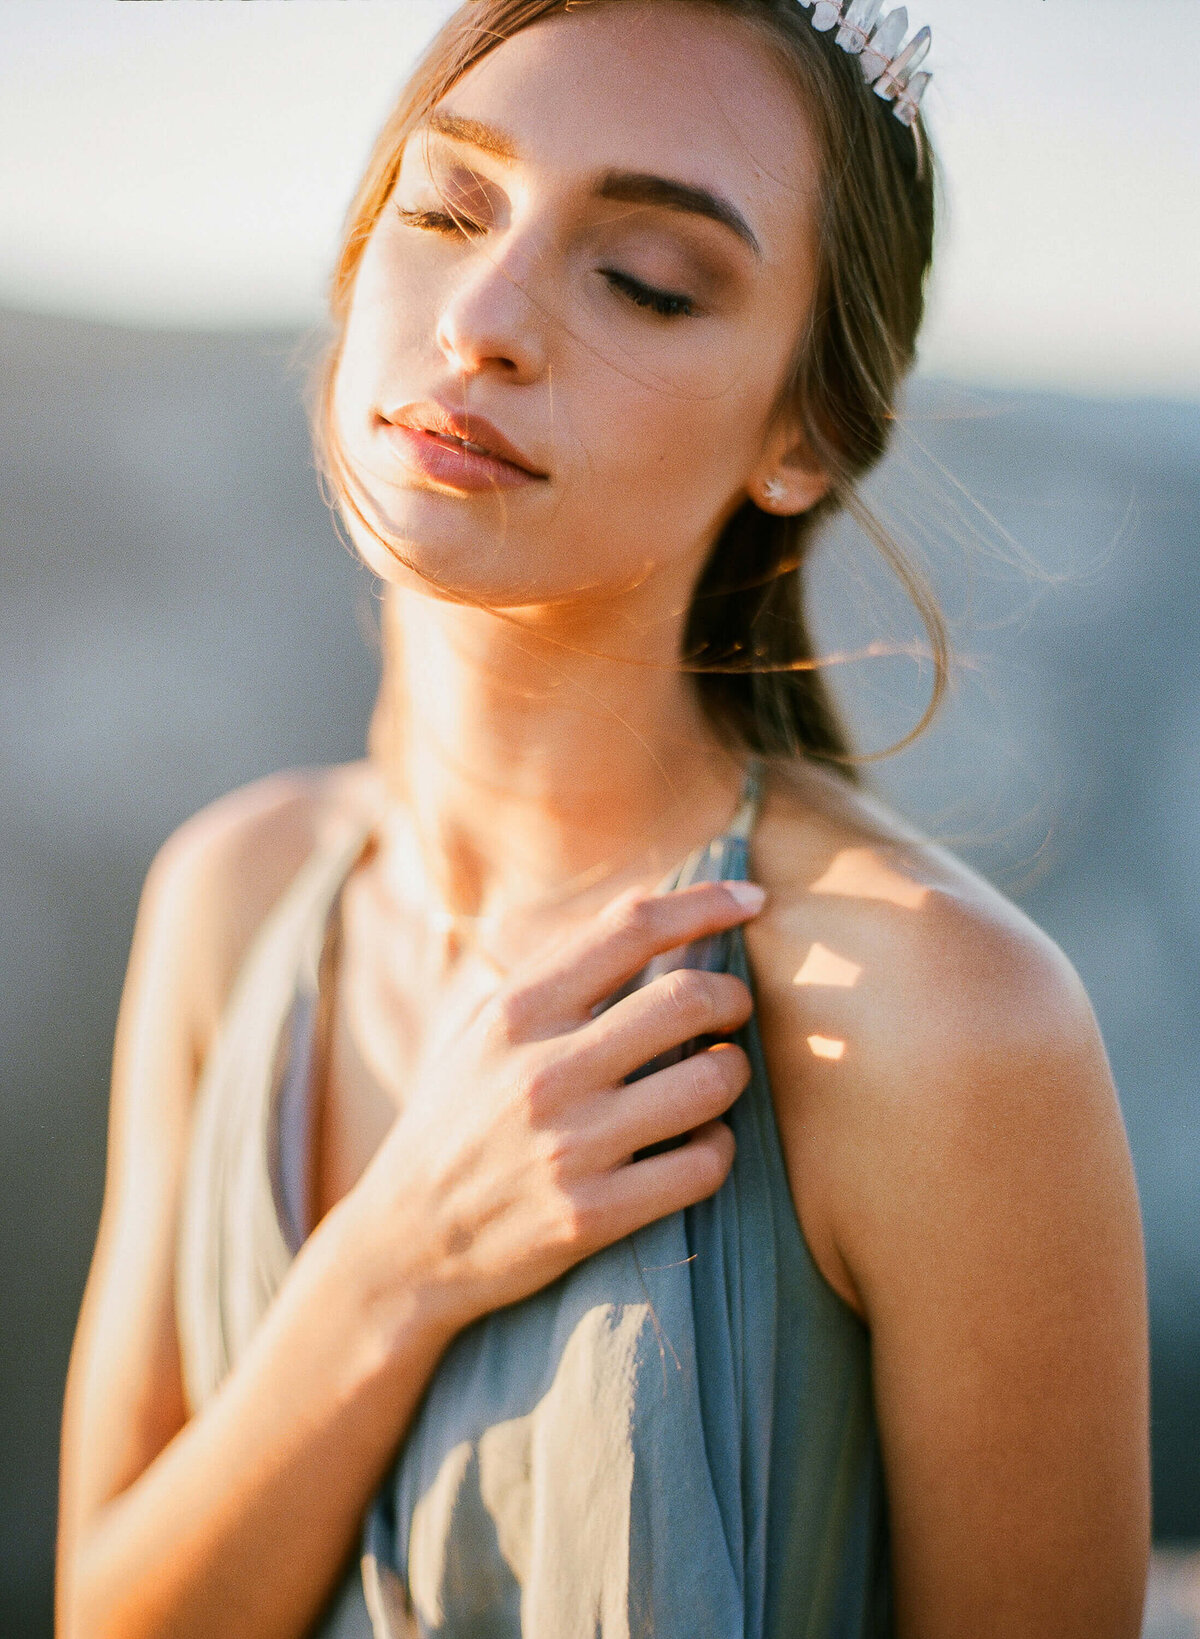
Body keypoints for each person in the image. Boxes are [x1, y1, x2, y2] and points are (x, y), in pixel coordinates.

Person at [55, 2, 1150, 1635]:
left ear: (806, 435)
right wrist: (396, 1263)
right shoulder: (238, 893)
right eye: (444, 208)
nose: (483, 319)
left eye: (645, 279)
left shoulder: (935, 1028)